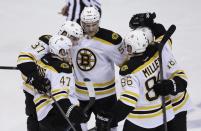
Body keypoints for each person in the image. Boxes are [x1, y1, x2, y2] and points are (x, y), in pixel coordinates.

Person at [108, 27, 190, 131]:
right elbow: (164, 37)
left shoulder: (128, 70)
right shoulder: (159, 51)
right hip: (163, 115)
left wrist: (110, 118)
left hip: (140, 120)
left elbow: (129, 100)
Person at [17, 21, 83, 131]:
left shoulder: (68, 48)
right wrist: (35, 78)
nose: (76, 42)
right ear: (65, 34)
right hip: (34, 90)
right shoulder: (46, 42)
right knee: (35, 117)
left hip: (53, 92)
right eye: (74, 38)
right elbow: (24, 58)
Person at [129, 12, 190, 131]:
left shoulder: (162, 50)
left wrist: (171, 85)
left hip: (176, 106)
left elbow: (182, 79)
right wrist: (149, 23)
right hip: (158, 111)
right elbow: (162, 33)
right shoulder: (138, 53)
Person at [70, 6, 127, 131]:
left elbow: (126, 64)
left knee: (110, 127)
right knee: (75, 127)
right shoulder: (72, 35)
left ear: (99, 21)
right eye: (86, 25)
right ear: (80, 22)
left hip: (106, 95)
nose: (90, 29)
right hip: (80, 94)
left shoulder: (112, 40)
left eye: (94, 24)